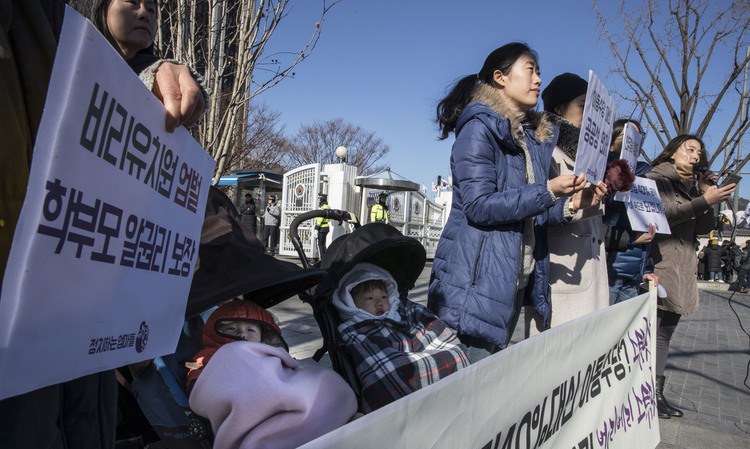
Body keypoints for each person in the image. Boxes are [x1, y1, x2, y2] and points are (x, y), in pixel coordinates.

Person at [0, 1, 206, 448]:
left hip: (94, 325)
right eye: (129, 0)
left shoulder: (161, 85)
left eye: (152, 5)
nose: (145, 10)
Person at [427, 43, 587, 363]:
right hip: (474, 286)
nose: (538, 79)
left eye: (539, 71)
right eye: (530, 69)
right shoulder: (479, 129)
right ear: (500, 77)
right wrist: (548, 191)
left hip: (512, 283)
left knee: (485, 390)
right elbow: (480, 205)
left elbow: (527, 212)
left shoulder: (526, 138)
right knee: (463, 394)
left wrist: (567, 204)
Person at [645, 134, 735, 419]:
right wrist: (703, 199)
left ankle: (655, 393)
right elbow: (665, 214)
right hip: (659, 262)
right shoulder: (656, 178)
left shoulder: (692, 185)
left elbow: (702, 227)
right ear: (672, 152)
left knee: (665, 333)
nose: (696, 155)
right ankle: (645, 393)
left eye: (700, 152)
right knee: (651, 332)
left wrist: (706, 194)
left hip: (682, 266)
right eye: (689, 149)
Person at [186, 300, 358, 449]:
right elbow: (200, 383)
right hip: (253, 401)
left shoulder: (269, 352)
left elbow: (289, 370)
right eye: (231, 329)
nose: (242, 334)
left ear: (263, 335)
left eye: (250, 330)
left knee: (322, 381)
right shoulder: (212, 356)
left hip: (285, 389)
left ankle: (324, 413)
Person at [524, 72, 609, 335]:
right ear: (559, 108)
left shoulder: (596, 158)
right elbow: (534, 210)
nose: (590, 116)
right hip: (561, 275)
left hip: (592, 271)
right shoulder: (543, 150)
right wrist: (574, 204)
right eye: (583, 106)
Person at [332, 263, 469, 413]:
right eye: (369, 298)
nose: (379, 302)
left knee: (456, 353)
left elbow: (421, 329)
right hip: (391, 362)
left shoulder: (401, 313)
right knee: (393, 374)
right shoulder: (352, 330)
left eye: (384, 297)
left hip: (414, 351)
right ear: (351, 303)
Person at [602, 118, 659, 304]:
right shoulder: (602, 172)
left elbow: (647, 224)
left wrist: (647, 270)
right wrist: (632, 239)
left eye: (638, 136)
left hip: (634, 272)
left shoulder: (644, 176)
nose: (633, 140)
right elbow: (597, 225)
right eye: (628, 134)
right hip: (610, 269)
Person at [315, 194, 331, 258]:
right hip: (326, 227)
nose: (319, 201)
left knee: (320, 244)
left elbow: (320, 218)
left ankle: (322, 259)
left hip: (321, 228)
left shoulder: (323, 208)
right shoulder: (328, 207)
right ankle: (325, 258)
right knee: (323, 244)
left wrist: (317, 228)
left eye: (319, 200)